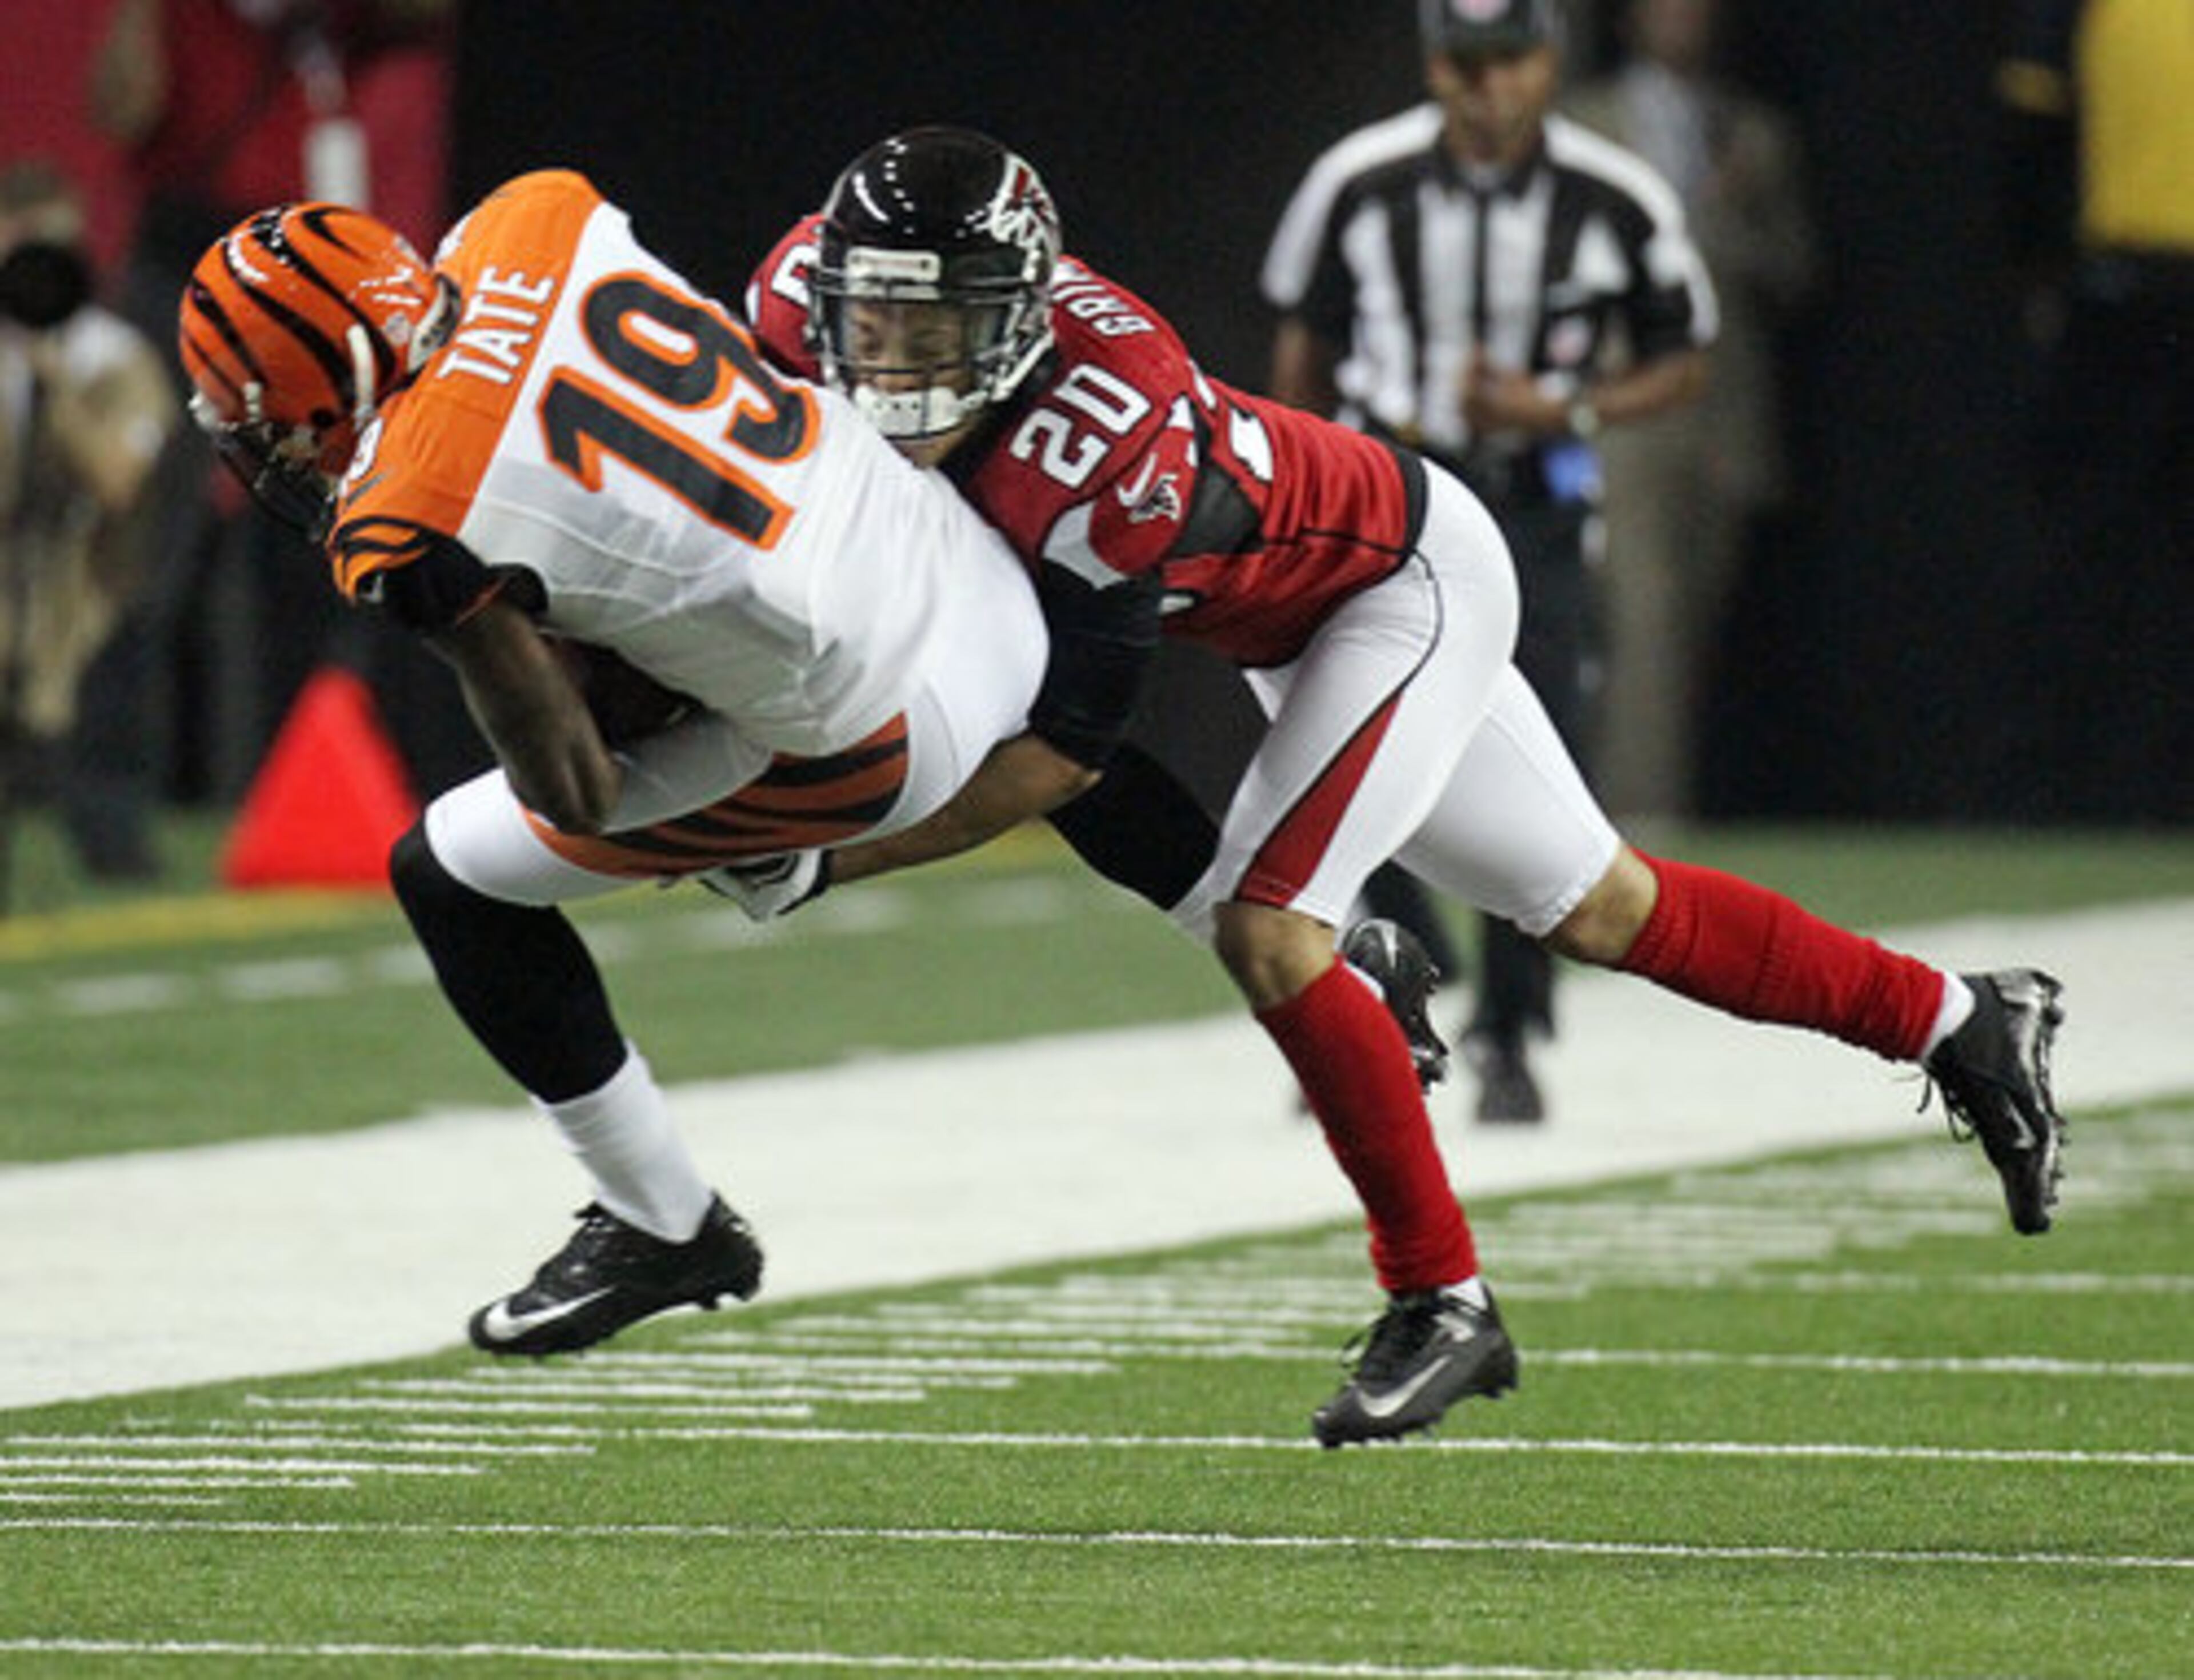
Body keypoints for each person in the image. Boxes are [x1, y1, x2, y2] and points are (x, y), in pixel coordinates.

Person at [740, 125, 2069, 1448]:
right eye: (875, 321)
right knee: (1601, 908)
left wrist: (824, 856)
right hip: (1289, 619)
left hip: (1391, 586)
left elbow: (1062, 760)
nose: (894, 362)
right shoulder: (795, 301)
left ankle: (1438, 1296)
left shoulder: (1103, 438)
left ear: (1018, 322)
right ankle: (1959, 1020)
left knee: (1268, 926)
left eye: (935, 331)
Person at [177, 169, 1053, 1358]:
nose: (274, 450)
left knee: (451, 875)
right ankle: (761, 835)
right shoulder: (528, 217)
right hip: (966, 565)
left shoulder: (407, 511)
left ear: (316, 396)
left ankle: (664, 1218)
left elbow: (573, 788)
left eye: (267, 423)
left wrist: (482, 618)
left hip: (886, 725)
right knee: (672, 634)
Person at [1262, 0, 1716, 1122]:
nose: (1487, 89)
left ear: (1548, 63)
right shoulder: (1360, 182)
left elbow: (1683, 353)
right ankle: (1397, 974)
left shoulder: (1613, 195)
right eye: (1465, 65)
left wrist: (1563, 406)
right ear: (1434, 66)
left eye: (1509, 62)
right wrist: (1296, 494)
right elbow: (1303, 349)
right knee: (1356, 746)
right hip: (1392, 504)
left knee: (1540, 760)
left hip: (1531, 507)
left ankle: (1511, 1032)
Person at [91, 0, 464, 807]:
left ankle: (302, 780)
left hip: (294, 270)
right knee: (148, 536)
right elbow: (122, 107)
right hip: (187, 259)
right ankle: (114, 795)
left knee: (316, 533)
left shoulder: (340, 36)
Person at [1563, 0, 1817, 821]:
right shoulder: (1582, 120)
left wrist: (1724, 219)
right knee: (1645, 624)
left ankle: (1629, 815)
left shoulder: (1752, 133)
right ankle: (1643, 831)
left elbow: (1795, 269)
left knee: (1696, 627)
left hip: (1721, 417)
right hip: (1622, 406)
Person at [1995, 0, 2193, 822]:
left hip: (2123, 294)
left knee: (2095, 551)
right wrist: (2046, 275)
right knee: (2089, 552)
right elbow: (2031, 137)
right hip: (2126, 296)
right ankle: (2061, 790)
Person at [0, 159, 178, 883]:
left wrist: (52, 379)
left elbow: (116, 481)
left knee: (106, 796)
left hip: (91, 596)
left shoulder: (112, 357)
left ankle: (115, 855)